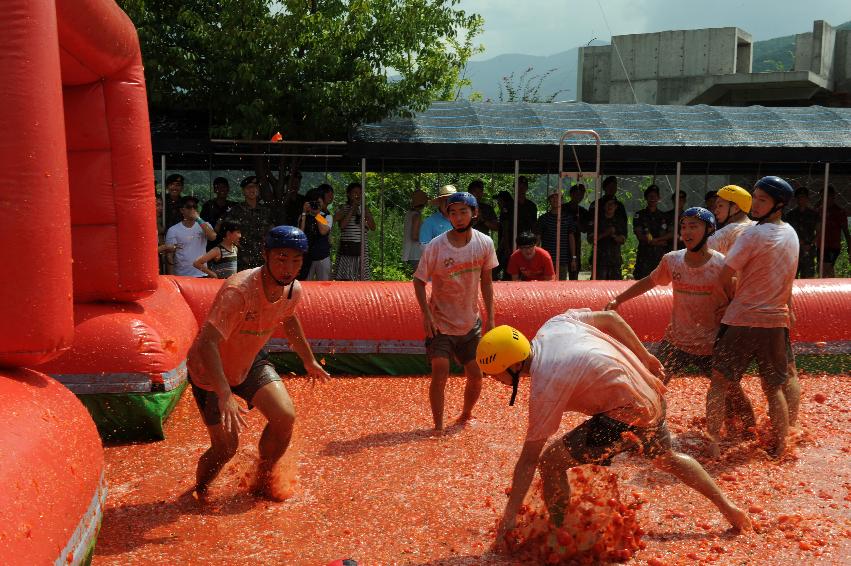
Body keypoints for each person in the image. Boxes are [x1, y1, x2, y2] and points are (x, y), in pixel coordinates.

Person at [475, 312, 751, 546]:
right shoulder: (555, 325)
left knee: (551, 461)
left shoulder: (546, 384)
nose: (492, 380)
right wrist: (646, 357)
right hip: (649, 392)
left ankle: (561, 535)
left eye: (493, 374)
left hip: (626, 414)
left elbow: (529, 459)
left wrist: (509, 519)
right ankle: (729, 509)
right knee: (667, 458)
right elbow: (610, 317)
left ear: (511, 366)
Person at [185, 226, 330, 501]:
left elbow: (289, 319)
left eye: (296, 260)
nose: (289, 268)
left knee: (284, 416)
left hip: (249, 362)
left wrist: (308, 359)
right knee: (226, 448)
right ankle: (200, 491)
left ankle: (263, 475)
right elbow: (207, 344)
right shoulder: (239, 292)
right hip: (210, 372)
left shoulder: (292, 290)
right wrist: (224, 394)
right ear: (266, 255)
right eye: (281, 258)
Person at [606, 207, 752, 436]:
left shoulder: (722, 265)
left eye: (694, 226)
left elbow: (739, 296)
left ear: (709, 230)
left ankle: (751, 430)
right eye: (683, 227)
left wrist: (731, 308)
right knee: (650, 384)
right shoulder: (672, 261)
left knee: (732, 390)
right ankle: (641, 432)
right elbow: (650, 281)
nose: (686, 232)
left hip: (711, 344)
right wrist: (619, 299)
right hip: (676, 341)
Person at [707, 176, 800, 459]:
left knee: (719, 381)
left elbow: (723, 275)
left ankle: (712, 442)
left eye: (762, 200)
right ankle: (783, 443)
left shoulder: (751, 234)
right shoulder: (792, 234)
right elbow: (787, 280)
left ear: (778, 205)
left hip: (743, 318)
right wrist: (787, 308)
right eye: (755, 198)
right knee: (774, 387)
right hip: (776, 321)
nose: (756, 205)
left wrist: (723, 304)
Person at [413, 191, 498, 432]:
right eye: (453, 213)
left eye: (463, 212)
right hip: (440, 322)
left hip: (470, 322)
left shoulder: (484, 243)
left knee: (476, 373)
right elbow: (418, 281)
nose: (458, 217)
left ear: (474, 214)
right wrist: (426, 315)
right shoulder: (436, 247)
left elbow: (487, 281)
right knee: (440, 371)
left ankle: (466, 414)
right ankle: (438, 427)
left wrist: (490, 317)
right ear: (447, 216)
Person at [165, 195, 217, 277]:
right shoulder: (173, 230)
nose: (193, 209)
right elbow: (169, 255)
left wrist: (198, 219)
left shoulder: (204, 225)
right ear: (182, 210)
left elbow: (213, 237)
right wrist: (171, 277)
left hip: (201, 274)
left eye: (195, 207)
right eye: (189, 207)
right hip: (181, 275)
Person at [334, 182, 375, 281]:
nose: (358, 195)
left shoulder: (364, 208)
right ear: (348, 194)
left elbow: (373, 227)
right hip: (348, 247)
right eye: (355, 192)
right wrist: (353, 208)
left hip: (361, 248)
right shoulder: (344, 208)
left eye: (360, 193)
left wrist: (366, 212)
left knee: (360, 276)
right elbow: (342, 226)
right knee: (346, 277)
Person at [230, 176, 273, 271]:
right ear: (243, 191)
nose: (252, 190)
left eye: (255, 187)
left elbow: (270, 233)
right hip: (242, 259)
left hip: (262, 258)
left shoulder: (266, 211)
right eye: (249, 187)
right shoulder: (236, 210)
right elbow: (229, 234)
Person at [534, 191, 577, 279]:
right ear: (549, 200)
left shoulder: (568, 218)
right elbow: (537, 240)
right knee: (547, 286)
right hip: (546, 259)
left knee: (561, 285)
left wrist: (574, 258)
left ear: (562, 200)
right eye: (552, 197)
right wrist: (535, 257)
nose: (555, 199)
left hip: (563, 259)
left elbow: (571, 238)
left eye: (558, 197)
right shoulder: (543, 219)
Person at [633, 185, 669, 279]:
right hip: (644, 256)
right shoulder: (639, 215)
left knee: (660, 282)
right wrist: (657, 241)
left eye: (655, 196)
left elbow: (670, 235)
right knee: (641, 281)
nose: (653, 198)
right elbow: (639, 234)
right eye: (650, 196)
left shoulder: (664, 216)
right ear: (646, 198)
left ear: (659, 198)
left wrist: (655, 240)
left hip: (659, 256)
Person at [299, 184, 334, 281]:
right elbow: (300, 234)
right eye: (313, 202)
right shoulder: (304, 216)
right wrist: (304, 213)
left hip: (322, 257)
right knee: (305, 286)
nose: (316, 205)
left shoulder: (327, 216)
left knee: (324, 287)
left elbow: (323, 231)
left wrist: (317, 214)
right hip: (307, 258)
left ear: (322, 202)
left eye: (318, 202)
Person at [783, 187, 819, 278]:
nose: (801, 199)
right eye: (799, 197)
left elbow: (819, 231)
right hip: (794, 249)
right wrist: (799, 242)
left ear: (807, 198)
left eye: (803, 197)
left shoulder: (814, 214)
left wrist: (810, 244)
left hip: (809, 249)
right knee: (792, 277)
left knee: (808, 278)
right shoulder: (790, 215)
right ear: (796, 199)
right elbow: (787, 232)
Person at [708, 185, 754, 254]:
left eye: (720, 205)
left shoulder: (724, 233)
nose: (716, 211)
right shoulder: (759, 226)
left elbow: (696, 256)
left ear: (736, 208)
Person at [816, 185, 850, 278]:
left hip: (832, 246)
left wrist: (849, 246)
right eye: (822, 196)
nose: (824, 199)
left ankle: (828, 289)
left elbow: (846, 231)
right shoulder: (819, 210)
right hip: (820, 245)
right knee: (825, 269)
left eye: (827, 196)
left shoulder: (839, 212)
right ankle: (831, 289)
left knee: (824, 269)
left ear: (833, 197)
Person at [589, 199, 625, 280]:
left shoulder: (619, 221)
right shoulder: (597, 221)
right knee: (598, 287)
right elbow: (590, 239)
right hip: (599, 260)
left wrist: (614, 236)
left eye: (612, 204)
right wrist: (605, 233)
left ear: (616, 207)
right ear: (604, 206)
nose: (610, 206)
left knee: (615, 287)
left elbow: (623, 240)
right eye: (608, 204)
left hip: (614, 260)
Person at [563, 184, 590, 280]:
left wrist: (578, 224)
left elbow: (585, 229)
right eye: (577, 194)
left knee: (574, 271)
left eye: (581, 194)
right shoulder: (562, 208)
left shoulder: (583, 212)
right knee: (560, 269)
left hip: (576, 244)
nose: (579, 197)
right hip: (562, 243)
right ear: (571, 194)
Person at [201, 177, 236, 251]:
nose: (221, 190)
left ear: (228, 189)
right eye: (218, 187)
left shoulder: (234, 206)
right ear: (214, 190)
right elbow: (203, 226)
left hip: (230, 245)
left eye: (223, 187)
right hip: (212, 245)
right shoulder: (208, 206)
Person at [402, 189, 428, 270]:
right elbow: (414, 236)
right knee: (420, 278)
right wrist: (428, 241)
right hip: (416, 252)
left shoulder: (409, 213)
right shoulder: (417, 215)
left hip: (411, 252)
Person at [495, 190, 515, 280]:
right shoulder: (513, 207)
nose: (498, 203)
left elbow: (505, 230)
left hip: (506, 245)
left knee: (495, 268)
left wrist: (503, 247)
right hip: (510, 244)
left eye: (499, 200)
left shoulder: (505, 209)